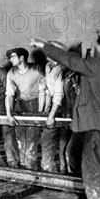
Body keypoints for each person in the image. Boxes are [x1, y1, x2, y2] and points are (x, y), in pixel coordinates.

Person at [30, 33, 100, 199]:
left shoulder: (95, 65)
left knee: (94, 168)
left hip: (97, 126)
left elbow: (69, 59)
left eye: (97, 45)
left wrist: (44, 45)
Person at [5, 47, 45, 169]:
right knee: (20, 138)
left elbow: (43, 91)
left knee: (32, 139)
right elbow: (9, 94)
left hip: (35, 103)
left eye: (12, 57)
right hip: (20, 105)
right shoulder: (11, 72)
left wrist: (40, 113)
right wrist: (8, 114)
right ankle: (23, 166)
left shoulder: (37, 69)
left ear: (21, 57)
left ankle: (30, 167)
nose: (10, 59)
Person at [40, 42, 66, 172]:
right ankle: (47, 170)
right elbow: (48, 91)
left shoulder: (61, 68)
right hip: (54, 106)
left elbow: (59, 94)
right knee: (48, 139)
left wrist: (51, 115)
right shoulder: (48, 66)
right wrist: (45, 109)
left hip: (64, 107)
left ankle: (64, 171)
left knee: (63, 143)